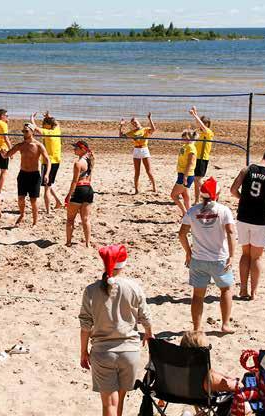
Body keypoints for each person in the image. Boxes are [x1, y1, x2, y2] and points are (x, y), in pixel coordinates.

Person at [79, 244, 153, 416]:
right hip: (130, 351)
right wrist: (149, 332)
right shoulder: (133, 287)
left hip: (103, 352)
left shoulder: (91, 290)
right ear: (124, 264)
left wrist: (83, 351)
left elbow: (85, 326)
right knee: (119, 402)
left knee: (109, 405)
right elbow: (146, 317)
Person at [178, 177, 235, 334]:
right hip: (219, 258)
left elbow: (182, 234)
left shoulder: (192, 211)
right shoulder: (223, 210)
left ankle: (197, 328)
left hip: (198, 259)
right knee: (225, 290)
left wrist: (188, 253)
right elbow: (230, 232)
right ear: (217, 194)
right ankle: (225, 324)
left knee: (197, 296)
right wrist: (232, 255)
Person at [230, 148, 265, 300]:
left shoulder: (247, 169)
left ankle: (243, 289)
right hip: (259, 219)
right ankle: (254, 292)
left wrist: (242, 199)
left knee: (245, 254)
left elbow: (233, 190)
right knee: (256, 258)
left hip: (243, 216)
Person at [1, 123, 51, 226]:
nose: (24, 133)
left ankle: (35, 222)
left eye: (26, 131)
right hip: (23, 174)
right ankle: (22, 214)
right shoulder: (21, 145)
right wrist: (3, 154)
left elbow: (48, 161)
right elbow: (7, 155)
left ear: (32, 132)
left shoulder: (38, 145)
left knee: (33, 201)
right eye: (23, 131)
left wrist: (46, 174)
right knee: (20, 198)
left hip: (34, 175)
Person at [30, 111, 63, 212]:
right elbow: (57, 123)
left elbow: (33, 127)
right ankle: (58, 201)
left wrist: (31, 117)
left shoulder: (48, 133)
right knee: (49, 184)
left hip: (48, 162)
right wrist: (49, 117)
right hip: (57, 161)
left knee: (46, 187)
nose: (43, 126)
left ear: (48, 125)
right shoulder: (57, 130)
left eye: (44, 124)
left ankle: (48, 210)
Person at [65, 140, 95, 247]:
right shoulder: (90, 161)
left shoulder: (78, 163)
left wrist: (69, 195)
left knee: (70, 219)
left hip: (79, 190)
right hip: (89, 190)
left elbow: (74, 181)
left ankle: (68, 242)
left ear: (82, 150)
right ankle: (88, 243)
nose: (74, 149)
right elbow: (90, 178)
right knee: (85, 219)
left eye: (76, 148)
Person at [119, 114, 157, 194]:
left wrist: (150, 119)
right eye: (133, 123)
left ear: (138, 122)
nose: (134, 124)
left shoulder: (145, 129)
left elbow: (153, 129)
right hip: (136, 150)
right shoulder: (132, 132)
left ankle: (154, 187)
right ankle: (136, 189)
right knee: (137, 172)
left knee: (148, 171)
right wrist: (121, 126)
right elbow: (121, 136)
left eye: (135, 122)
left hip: (144, 150)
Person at [189, 106, 215, 204]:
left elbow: (201, 125)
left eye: (204, 123)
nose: (201, 125)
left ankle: (211, 195)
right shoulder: (200, 131)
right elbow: (198, 124)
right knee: (196, 180)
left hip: (202, 159)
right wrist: (195, 113)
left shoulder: (208, 132)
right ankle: (196, 200)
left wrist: (195, 115)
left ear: (208, 124)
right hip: (196, 157)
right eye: (202, 122)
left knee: (198, 179)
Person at [171, 129, 197, 216]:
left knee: (173, 195)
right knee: (185, 196)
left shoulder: (191, 147)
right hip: (182, 174)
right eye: (183, 136)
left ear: (190, 138)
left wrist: (185, 177)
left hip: (186, 175)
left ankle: (184, 213)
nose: (183, 138)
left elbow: (190, 163)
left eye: (185, 136)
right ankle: (190, 215)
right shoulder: (185, 145)